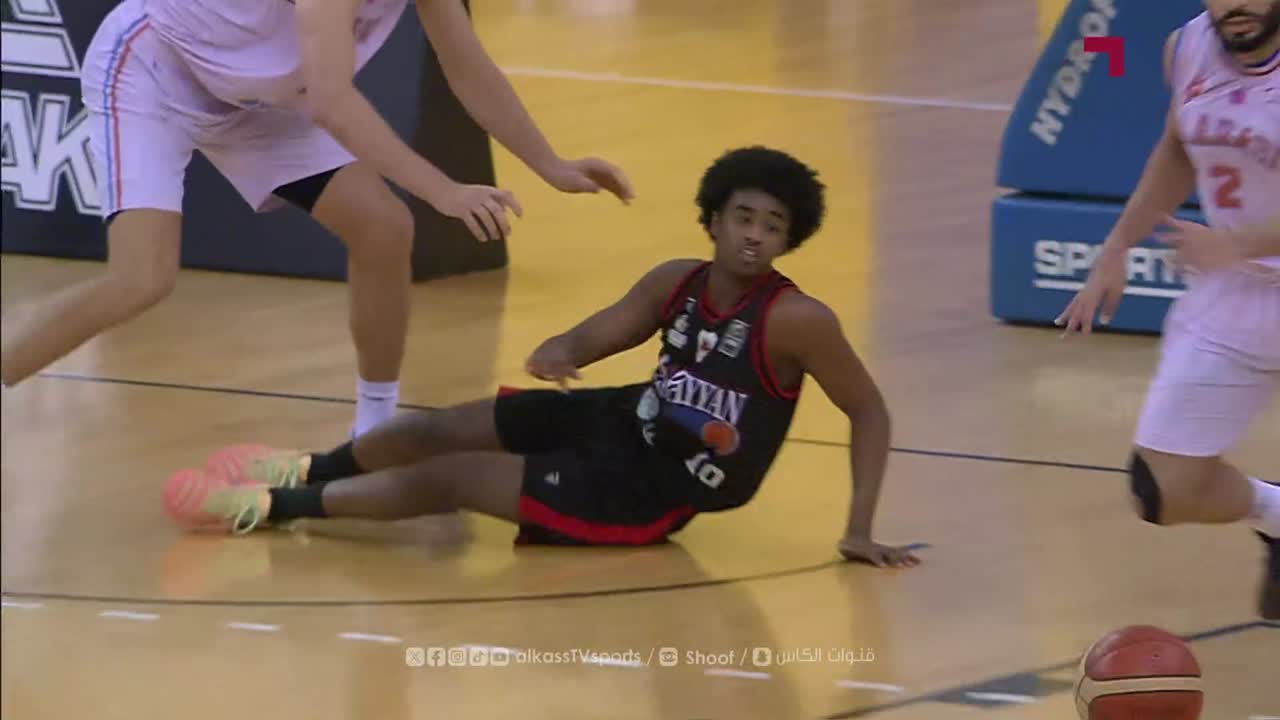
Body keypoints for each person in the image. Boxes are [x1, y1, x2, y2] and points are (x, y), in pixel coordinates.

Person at [161, 146, 921, 568]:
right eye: (743, 217)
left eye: (773, 225)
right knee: (440, 427)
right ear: (714, 219)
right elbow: (607, 331)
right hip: (623, 419)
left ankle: (267, 510)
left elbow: (870, 410)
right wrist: (562, 349)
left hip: (651, 488)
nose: (754, 234)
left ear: (790, 239)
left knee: (453, 477)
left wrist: (858, 527)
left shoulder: (796, 320)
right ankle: (308, 467)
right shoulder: (677, 281)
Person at [0, 0, 633, 437]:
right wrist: (441, 190)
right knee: (141, 279)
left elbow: (466, 64)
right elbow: (332, 101)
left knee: (384, 229)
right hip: (156, 71)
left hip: (262, 104)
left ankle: (373, 430)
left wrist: (549, 163)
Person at [1055, 0, 1279, 619]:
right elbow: (1178, 149)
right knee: (1164, 491)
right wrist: (1117, 246)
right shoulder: (1186, 47)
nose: (1235, 5)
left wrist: (1235, 242)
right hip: (1236, 289)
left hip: (1235, 255)